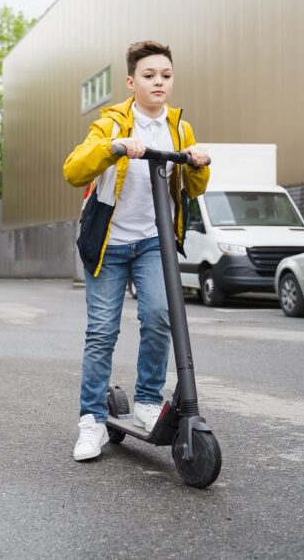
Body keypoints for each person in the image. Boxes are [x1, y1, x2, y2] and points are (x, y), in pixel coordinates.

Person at [62, 40, 210, 461]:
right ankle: (91, 421)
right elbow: (73, 170)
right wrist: (114, 148)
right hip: (109, 241)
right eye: (149, 75)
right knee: (102, 332)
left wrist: (199, 163)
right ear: (131, 82)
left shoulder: (180, 127)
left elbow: (196, 189)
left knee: (161, 316)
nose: (158, 82)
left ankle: (147, 399)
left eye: (165, 75)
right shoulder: (110, 123)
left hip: (153, 240)